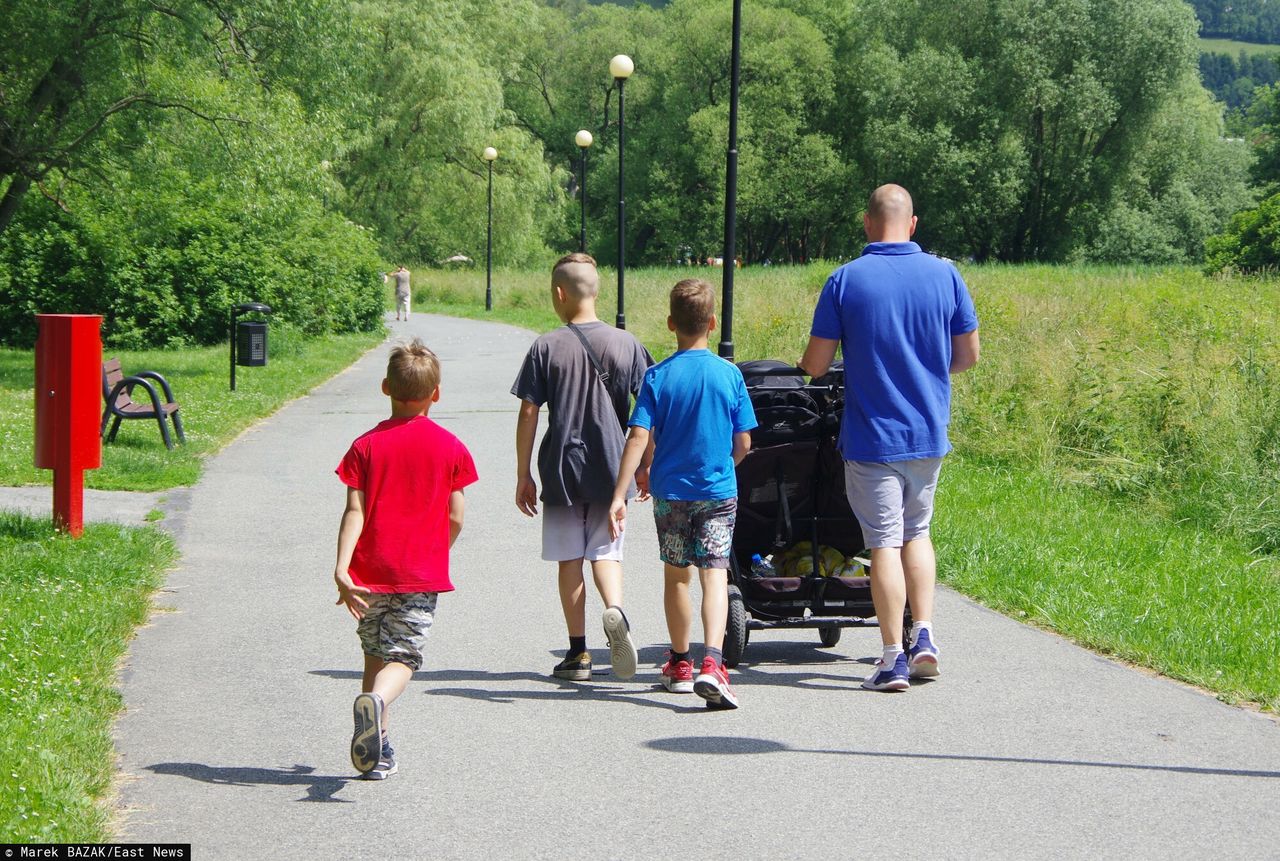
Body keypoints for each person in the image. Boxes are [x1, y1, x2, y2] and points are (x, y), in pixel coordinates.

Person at [798, 184, 980, 692]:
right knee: (917, 534)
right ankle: (924, 637)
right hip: (927, 434)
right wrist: (924, 371)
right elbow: (968, 356)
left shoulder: (845, 280)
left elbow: (815, 364)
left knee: (883, 542)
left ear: (866, 223)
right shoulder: (946, 275)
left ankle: (891, 657)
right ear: (913, 224)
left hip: (872, 438)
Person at [608, 278, 757, 709]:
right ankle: (713, 662)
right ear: (713, 322)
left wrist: (622, 492)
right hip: (717, 492)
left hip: (670, 493)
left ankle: (679, 664)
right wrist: (726, 467)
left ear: (672, 323)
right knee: (715, 574)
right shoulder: (729, 375)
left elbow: (638, 437)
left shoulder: (656, 377)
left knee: (677, 576)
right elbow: (744, 440)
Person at [334, 338, 478, 778]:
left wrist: (342, 568)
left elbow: (354, 510)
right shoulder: (449, 446)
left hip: (367, 572)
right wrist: (437, 550)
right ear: (436, 393)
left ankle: (376, 749)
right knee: (403, 657)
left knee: (374, 653)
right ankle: (378, 706)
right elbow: (456, 515)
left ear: (385, 388)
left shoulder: (365, 446)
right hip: (420, 572)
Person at [511, 253, 654, 682]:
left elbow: (529, 413)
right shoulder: (627, 344)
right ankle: (614, 612)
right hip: (614, 468)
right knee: (607, 553)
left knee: (570, 559)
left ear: (559, 293)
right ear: (597, 291)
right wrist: (646, 464)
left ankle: (578, 654)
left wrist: (523, 473)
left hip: (562, 469)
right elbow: (647, 412)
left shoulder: (546, 346)